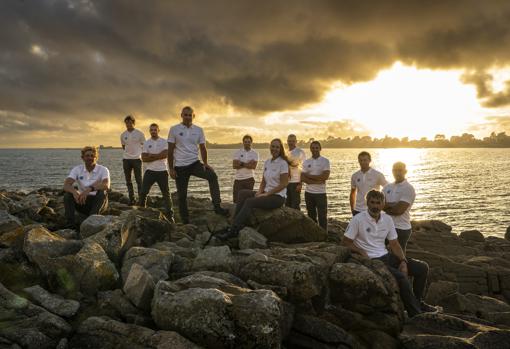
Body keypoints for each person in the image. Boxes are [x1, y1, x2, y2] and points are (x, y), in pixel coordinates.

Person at [342, 190, 437, 317]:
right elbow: (346, 242)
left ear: (383, 204)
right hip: (372, 261)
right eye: (372, 202)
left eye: (378, 203)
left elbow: (394, 244)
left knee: (422, 268)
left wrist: (403, 261)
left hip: (386, 256)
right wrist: (360, 251)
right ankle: (415, 314)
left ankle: (418, 302)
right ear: (367, 203)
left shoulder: (387, 219)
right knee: (402, 278)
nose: (375, 206)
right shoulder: (358, 219)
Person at [216, 138, 289, 240]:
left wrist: (266, 194)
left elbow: (284, 184)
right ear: (270, 147)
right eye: (273, 146)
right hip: (266, 193)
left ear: (281, 148)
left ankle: (233, 231)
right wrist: (259, 192)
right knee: (242, 193)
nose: (275, 149)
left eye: (277, 147)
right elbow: (263, 181)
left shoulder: (283, 163)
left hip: (277, 197)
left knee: (250, 202)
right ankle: (235, 223)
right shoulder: (268, 162)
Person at [167, 106, 229, 224]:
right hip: (180, 167)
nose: (188, 117)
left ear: (193, 116)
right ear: (181, 115)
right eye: (185, 115)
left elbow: (203, 148)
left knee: (212, 176)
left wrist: (205, 163)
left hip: (195, 163)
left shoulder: (199, 130)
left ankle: (217, 206)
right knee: (182, 196)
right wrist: (171, 168)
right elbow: (170, 150)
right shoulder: (174, 129)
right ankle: (185, 221)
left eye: (190, 115)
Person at [63, 146, 110, 229]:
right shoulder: (77, 169)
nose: (90, 158)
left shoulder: (103, 169)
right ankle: (70, 226)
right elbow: (66, 185)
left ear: (96, 158)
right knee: (68, 195)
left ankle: (91, 222)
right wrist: (75, 192)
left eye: (92, 156)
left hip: (98, 203)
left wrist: (89, 189)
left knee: (102, 192)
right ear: (83, 158)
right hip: (82, 201)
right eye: (87, 156)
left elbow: (106, 185)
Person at [139, 123, 174, 222]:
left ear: (158, 131)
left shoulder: (164, 142)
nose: (153, 131)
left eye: (155, 130)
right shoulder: (146, 143)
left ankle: (170, 215)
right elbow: (143, 158)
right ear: (149, 131)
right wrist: (158, 155)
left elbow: (165, 155)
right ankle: (141, 212)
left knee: (166, 194)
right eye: (151, 130)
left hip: (162, 171)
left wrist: (151, 156)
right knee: (143, 193)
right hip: (149, 171)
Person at [383, 162, 416, 254]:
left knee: (399, 255)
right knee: (381, 252)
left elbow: (399, 211)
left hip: (401, 228)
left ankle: (403, 267)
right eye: (395, 170)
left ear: (405, 171)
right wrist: (393, 205)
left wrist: (386, 206)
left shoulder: (408, 188)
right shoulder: (387, 187)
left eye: (400, 170)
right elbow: (378, 204)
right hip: (385, 225)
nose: (397, 173)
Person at [301, 141, 330, 230]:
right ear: (310, 149)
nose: (315, 149)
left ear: (320, 149)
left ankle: (324, 236)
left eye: (316, 148)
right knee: (311, 215)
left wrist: (309, 177)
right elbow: (302, 177)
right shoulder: (306, 162)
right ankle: (314, 235)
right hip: (309, 193)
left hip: (321, 193)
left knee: (322, 216)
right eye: (313, 148)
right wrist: (317, 180)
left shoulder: (325, 161)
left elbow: (325, 176)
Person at [350, 151, 387, 216]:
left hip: (373, 209)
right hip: (358, 210)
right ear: (358, 161)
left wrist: (383, 206)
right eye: (361, 160)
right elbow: (352, 193)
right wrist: (352, 209)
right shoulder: (355, 175)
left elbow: (387, 189)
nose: (363, 162)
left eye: (365, 160)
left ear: (369, 160)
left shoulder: (378, 174)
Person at [120, 115, 145, 205]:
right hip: (126, 160)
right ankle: (132, 200)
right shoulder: (123, 135)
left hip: (137, 159)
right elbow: (124, 147)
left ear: (133, 123)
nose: (128, 124)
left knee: (139, 181)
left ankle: (141, 200)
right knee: (128, 181)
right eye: (127, 123)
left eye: (130, 122)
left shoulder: (139, 133)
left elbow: (144, 145)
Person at [232, 135, 259, 203]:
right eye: (245, 142)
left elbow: (254, 167)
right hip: (238, 179)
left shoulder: (255, 153)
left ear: (251, 143)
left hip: (249, 179)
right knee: (236, 200)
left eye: (249, 142)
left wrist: (241, 163)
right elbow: (234, 166)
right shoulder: (237, 152)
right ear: (243, 142)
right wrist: (248, 164)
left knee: (247, 200)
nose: (247, 143)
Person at [286, 134, 306, 210]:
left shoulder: (300, 152)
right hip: (286, 182)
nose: (291, 143)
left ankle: (297, 221)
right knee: (287, 204)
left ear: (296, 142)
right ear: (287, 142)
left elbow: (304, 169)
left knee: (295, 205)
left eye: (293, 141)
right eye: (289, 141)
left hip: (296, 182)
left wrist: (300, 184)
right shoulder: (285, 152)